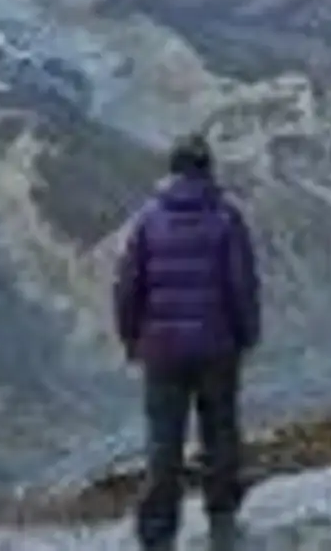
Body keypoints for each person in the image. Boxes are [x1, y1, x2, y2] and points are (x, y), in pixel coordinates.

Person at [113, 133, 262, 551]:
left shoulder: (147, 220)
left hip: (161, 350)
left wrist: (130, 337)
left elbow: (127, 287)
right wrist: (247, 334)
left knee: (164, 441)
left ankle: (159, 533)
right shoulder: (227, 218)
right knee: (220, 432)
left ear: (172, 170)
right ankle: (222, 518)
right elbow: (242, 285)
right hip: (217, 348)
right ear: (208, 168)